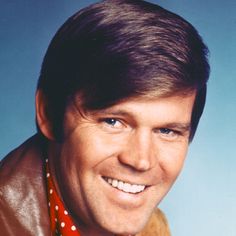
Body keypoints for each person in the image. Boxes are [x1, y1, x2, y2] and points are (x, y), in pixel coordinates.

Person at [0, 0, 210, 235]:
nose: (141, 161)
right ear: (49, 114)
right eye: (113, 121)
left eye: (166, 131)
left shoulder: (152, 227)